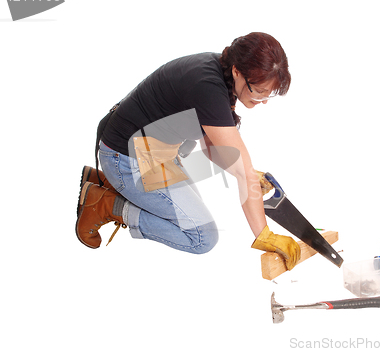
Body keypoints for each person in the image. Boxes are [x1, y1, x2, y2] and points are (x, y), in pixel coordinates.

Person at [76, 32, 301, 270]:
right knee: (202, 237)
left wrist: (247, 173)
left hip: (151, 152)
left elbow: (213, 150)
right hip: (126, 158)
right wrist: (264, 235)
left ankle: (110, 183)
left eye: (270, 94)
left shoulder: (221, 75)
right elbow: (240, 169)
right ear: (238, 71)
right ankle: (106, 204)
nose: (264, 100)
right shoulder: (208, 87)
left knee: (190, 216)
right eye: (260, 91)